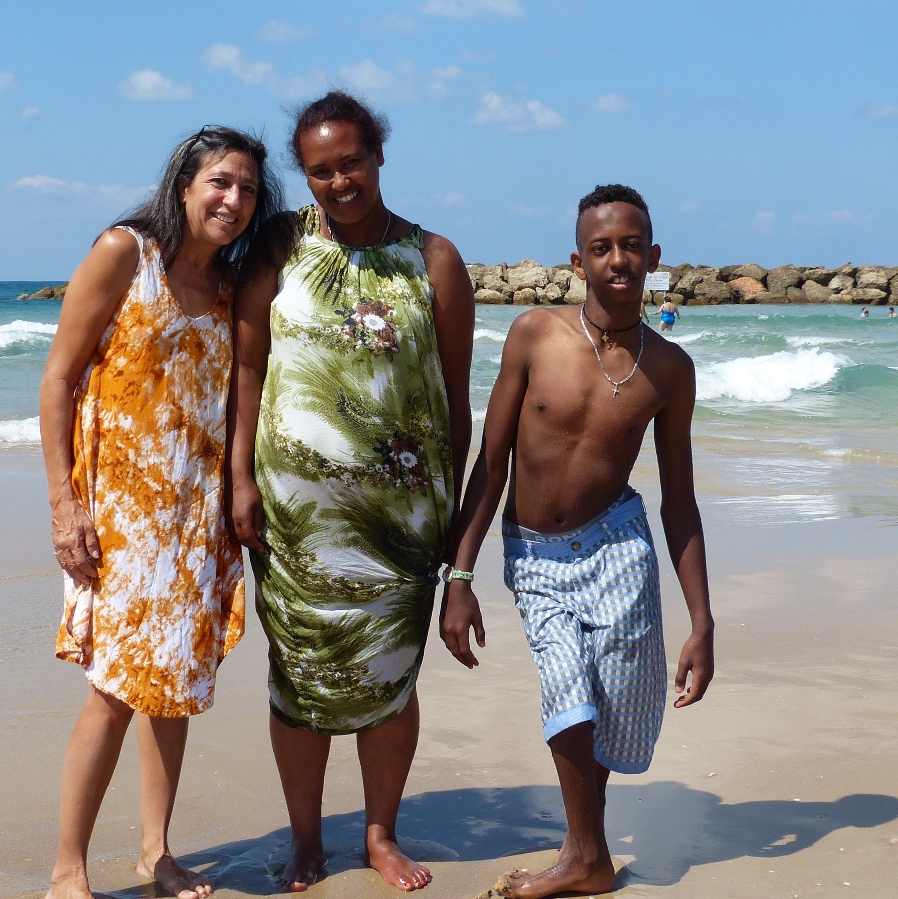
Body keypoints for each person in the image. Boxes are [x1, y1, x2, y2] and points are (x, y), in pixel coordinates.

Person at [439, 185, 715, 899]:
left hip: (617, 543)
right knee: (568, 693)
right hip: (534, 553)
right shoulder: (534, 334)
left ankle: (583, 851)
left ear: (652, 258)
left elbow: (679, 501)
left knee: (613, 713)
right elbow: (491, 462)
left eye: (631, 246)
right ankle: (585, 857)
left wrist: (703, 619)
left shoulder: (671, 369)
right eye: (602, 248)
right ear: (578, 260)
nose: (617, 259)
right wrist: (459, 577)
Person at [231, 90, 475, 893]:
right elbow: (248, 367)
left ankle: (378, 833)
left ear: (378, 157)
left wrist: (453, 515)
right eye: (319, 171)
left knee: (389, 679)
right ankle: (307, 840)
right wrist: (238, 476)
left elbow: (453, 398)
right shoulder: (278, 245)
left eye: (351, 163)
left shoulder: (433, 259)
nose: (338, 182)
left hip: (402, 522)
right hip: (296, 521)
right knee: (298, 678)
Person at [39, 126, 288, 899]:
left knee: (172, 684)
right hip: (117, 517)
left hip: (193, 516)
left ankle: (157, 851)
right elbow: (58, 381)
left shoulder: (231, 284)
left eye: (247, 189)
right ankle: (67, 868)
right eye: (219, 182)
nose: (233, 200)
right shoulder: (124, 253)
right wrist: (63, 504)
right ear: (182, 184)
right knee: (115, 688)